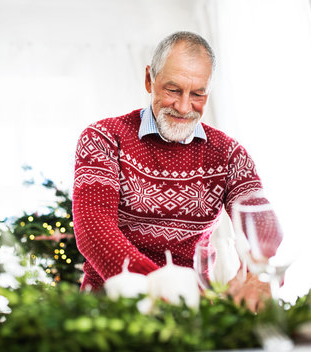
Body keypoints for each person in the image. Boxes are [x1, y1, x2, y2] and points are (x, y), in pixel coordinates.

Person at [72, 31, 280, 308]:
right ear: (149, 79)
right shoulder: (104, 137)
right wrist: (166, 292)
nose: (184, 107)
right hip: (112, 304)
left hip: (193, 308)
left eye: (197, 94)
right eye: (173, 90)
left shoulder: (229, 154)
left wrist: (257, 269)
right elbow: (94, 228)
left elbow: (259, 218)